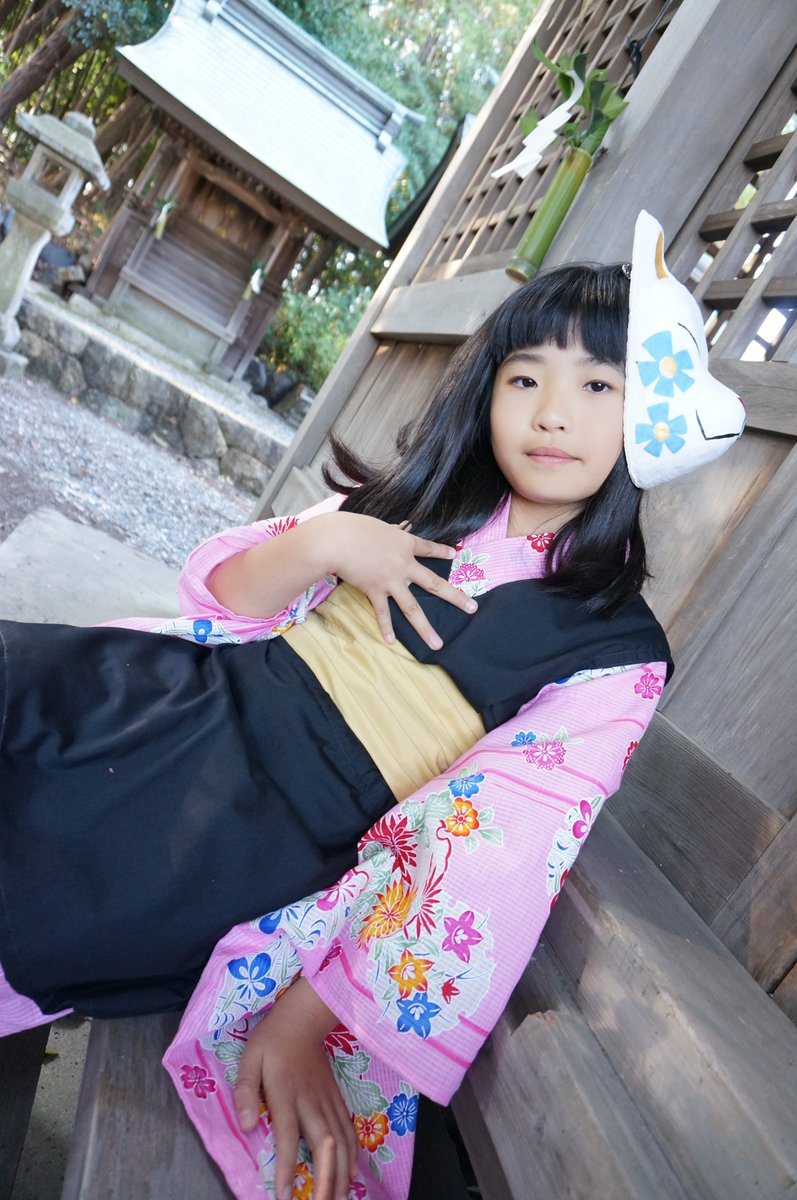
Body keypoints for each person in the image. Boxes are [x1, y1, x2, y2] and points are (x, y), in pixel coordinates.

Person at [0, 213, 744, 1200]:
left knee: (48, 867)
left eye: (597, 386)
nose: (551, 414)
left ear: (648, 413)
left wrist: (310, 1010)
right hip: (185, 700)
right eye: (524, 378)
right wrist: (325, 544)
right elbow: (230, 604)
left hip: (269, 820)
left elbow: (490, 845)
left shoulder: (614, 654)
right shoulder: (424, 500)